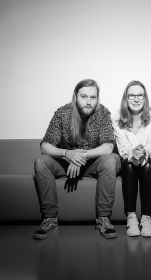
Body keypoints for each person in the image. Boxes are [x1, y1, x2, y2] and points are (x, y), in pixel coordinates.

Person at [33, 79, 120, 240]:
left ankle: (103, 219)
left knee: (110, 160)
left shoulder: (103, 113)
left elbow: (108, 146)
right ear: (75, 96)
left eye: (93, 97)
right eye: (84, 96)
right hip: (66, 163)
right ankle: (49, 219)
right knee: (41, 162)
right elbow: (45, 146)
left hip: (93, 163)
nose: (88, 102)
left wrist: (81, 156)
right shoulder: (62, 113)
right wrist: (68, 154)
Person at [112, 80, 151, 237]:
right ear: (126, 98)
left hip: (150, 159)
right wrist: (133, 153)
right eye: (131, 95)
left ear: (145, 98)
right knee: (129, 165)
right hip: (129, 160)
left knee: (147, 165)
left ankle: (146, 219)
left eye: (140, 95)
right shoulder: (117, 117)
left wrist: (142, 150)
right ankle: (131, 217)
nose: (136, 99)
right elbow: (123, 148)